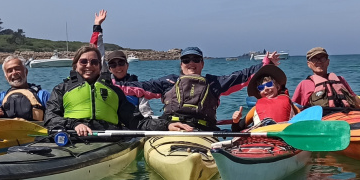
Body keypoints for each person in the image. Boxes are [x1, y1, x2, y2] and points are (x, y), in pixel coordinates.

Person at [116, 47, 277, 131]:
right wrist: (109, 84)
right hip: (171, 128)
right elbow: (139, 88)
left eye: (196, 59)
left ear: (202, 63)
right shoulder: (168, 81)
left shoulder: (213, 83)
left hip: (204, 130)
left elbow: (241, 76)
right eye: (186, 60)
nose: (191, 63)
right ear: (181, 64)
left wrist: (265, 64)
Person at [44, 45, 186, 136]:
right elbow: (50, 118)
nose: (89, 65)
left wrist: (167, 125)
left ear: (100, 67)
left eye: (94, 62)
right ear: (75, 65)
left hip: (107, 139)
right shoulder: (61, 89)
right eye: (83, 62)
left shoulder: (115, 92)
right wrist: (74, 125)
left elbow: (137, 122)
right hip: (72, 137)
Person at [87, 9, 157, 118]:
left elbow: (146, 112)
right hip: (111, 127)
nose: (118, 67)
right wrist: (97, 26)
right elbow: (97, 52)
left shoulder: (137, 86)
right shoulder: (106, 81)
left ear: (127, 65)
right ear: (109, 68)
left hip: (132, 126)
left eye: (121, 63)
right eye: (113, 65)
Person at [291, 47, 360, 109]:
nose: (319, 62)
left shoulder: (340, 80)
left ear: (328, 62)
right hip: (322, 122)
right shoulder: (304, 84)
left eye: (323, 58)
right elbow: (294, 109)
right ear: (309, 64)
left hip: (347, 117)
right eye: (314, 59)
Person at [0, 56, 51, 123]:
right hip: (8, 132)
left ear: (26, 72)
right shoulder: (0, 97)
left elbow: (54, 117)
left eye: (17, 69)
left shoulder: (43, 95)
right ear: (6, 77)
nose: (14, 73)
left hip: (36, 131)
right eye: (10, 71)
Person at [231, 64, 300, 131]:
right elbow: (236, 129)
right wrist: (235, 121)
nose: (266, 88)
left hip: (284, 138)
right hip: (263, 140)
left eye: (269, 84)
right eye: (261, 88)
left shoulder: (290, 104)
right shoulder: (255, 109)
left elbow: (304, 120)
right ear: (259, 93)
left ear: (278, 86)